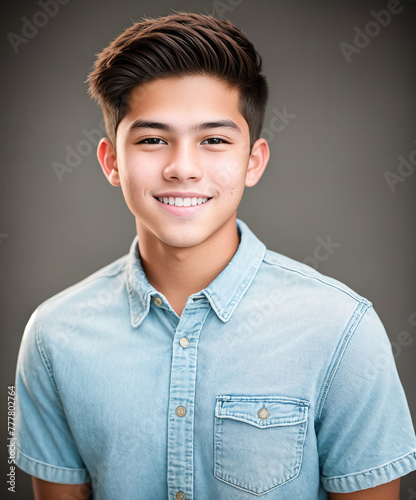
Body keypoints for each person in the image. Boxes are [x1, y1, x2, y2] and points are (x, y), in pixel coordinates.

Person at [14, 12, 416, 500]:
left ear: (253, 162)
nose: (182, 168)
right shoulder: (52, 336)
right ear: (111, 162)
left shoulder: (342, 330)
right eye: (153, 139)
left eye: (214, 140)